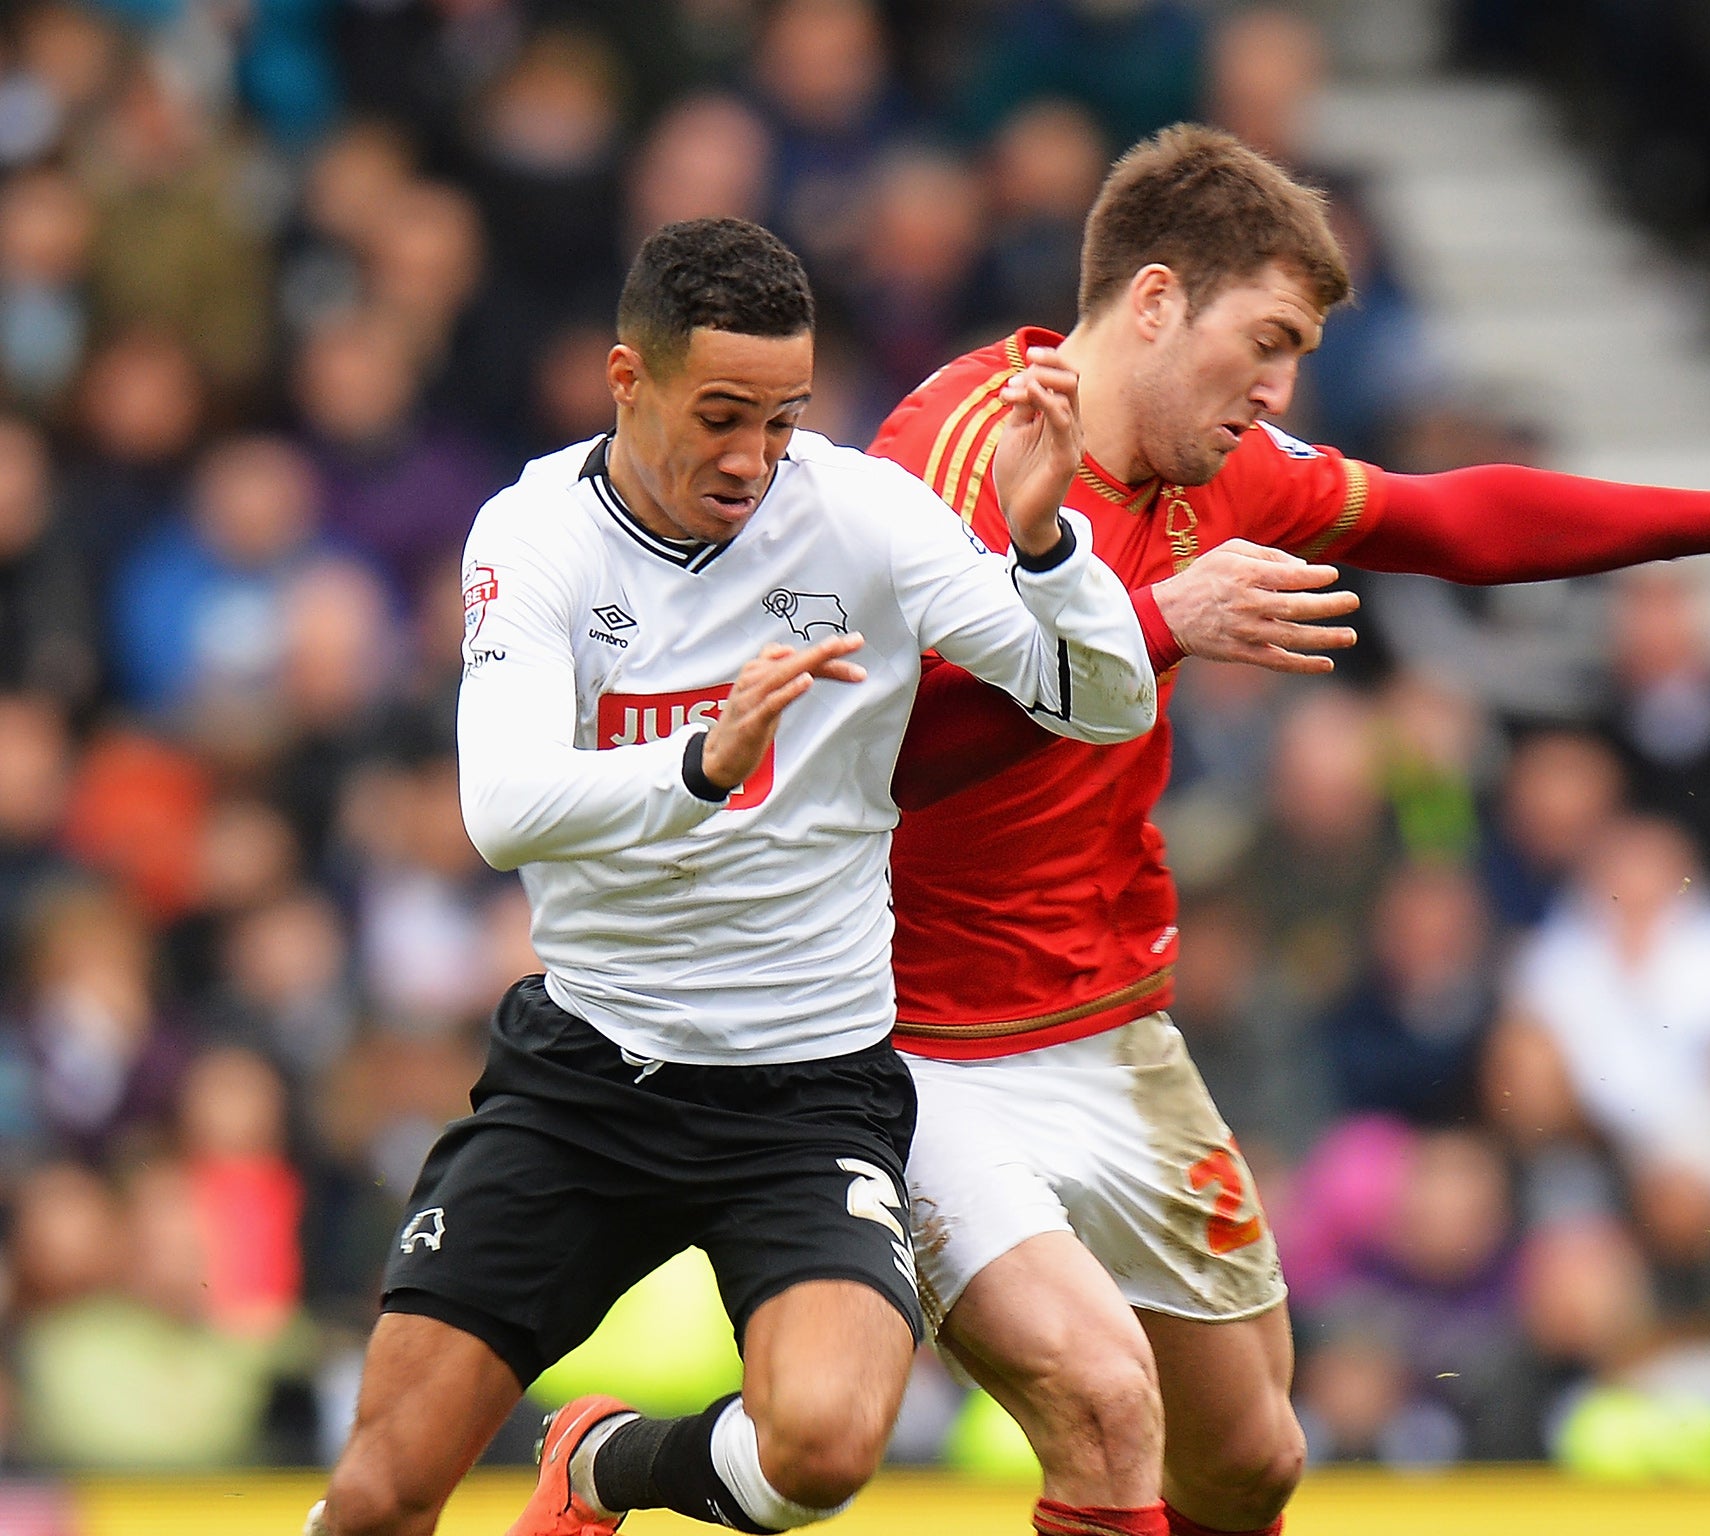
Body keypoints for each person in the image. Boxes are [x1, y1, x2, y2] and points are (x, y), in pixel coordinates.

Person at [867, 123, 1710, 1536]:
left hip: (1107, 1027)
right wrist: (1152, 628)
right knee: (1098, 1411)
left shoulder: (1228, 467)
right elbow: (877, 754)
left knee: (1255, 1459)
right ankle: (624, 1468)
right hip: (913, 1042)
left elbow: (1459, 519)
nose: (1280, 390)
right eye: (1266, 341)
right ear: (1151, 301)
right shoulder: (956, 450)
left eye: (1300, 353)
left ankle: (628, 1459)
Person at [304, 216, 1156, 1536]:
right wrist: (703, 763)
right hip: (589, 1077)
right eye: (720, 416)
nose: (754, 458)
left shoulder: (862, 515)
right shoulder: (534, 539)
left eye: (783, 417)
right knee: (377, 1496)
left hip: (808, 1092)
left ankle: (603, 1465)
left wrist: (1046, 547)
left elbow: (1099, 701)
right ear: (625, 379)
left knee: (823, 1451)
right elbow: (501, 810)